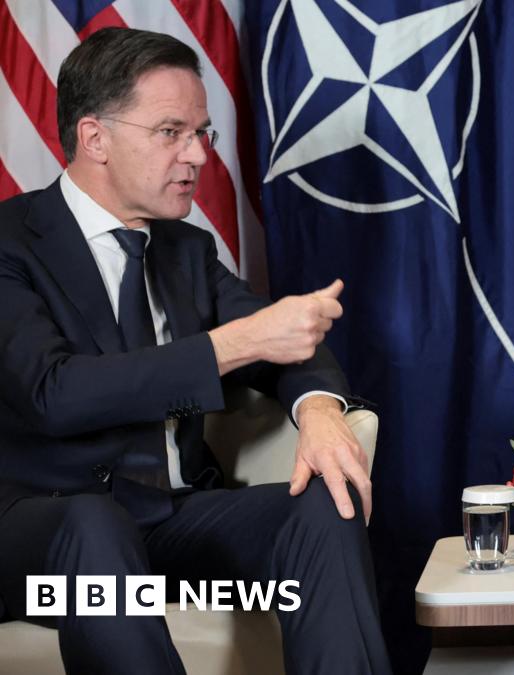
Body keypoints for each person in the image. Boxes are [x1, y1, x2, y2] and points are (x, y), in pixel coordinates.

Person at [0, 28, 392, 674]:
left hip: (174, 526)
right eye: (171, 132)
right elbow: (55, 394)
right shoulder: (13, 243)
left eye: (202, 133)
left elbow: (282, 337)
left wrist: (320, 409)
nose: (200, 156)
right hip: (43, 544)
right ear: (95, 138)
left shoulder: (187, 251)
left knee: (324, 500)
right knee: (95, 528)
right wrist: (228, 346)